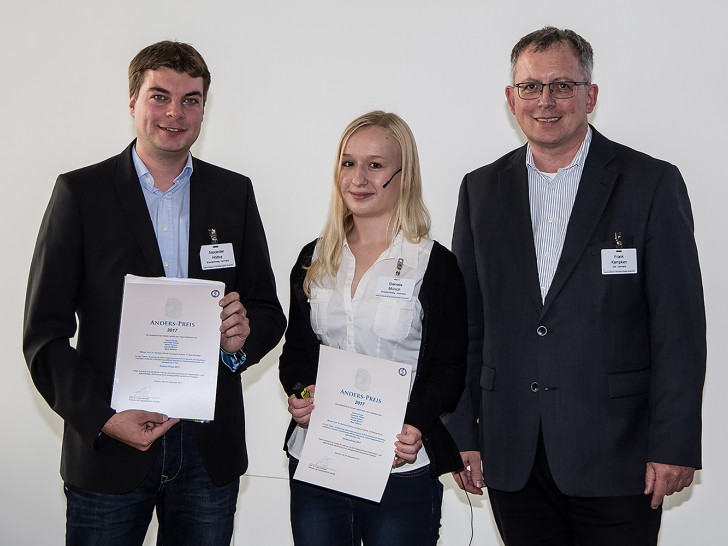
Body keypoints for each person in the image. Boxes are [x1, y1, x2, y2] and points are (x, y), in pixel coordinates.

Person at [444, 26, 706, 545]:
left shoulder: (650, 183)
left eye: (563, 86)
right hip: (512, 452)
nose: (546, 101)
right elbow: (466, 323)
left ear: (590, 95)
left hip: (619, 456)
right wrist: (462, 432)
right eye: (531, 87)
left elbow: (678, 327)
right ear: (510, 98)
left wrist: (674, 443)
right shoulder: (480, 190)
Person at [23, 40, 286, 545]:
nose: (175, 112)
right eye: (160, 96)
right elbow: (44, 337)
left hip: (208, 450)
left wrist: (240, 343)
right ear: (132, 102)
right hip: (111, 448)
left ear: (205, 108)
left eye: (191, 99)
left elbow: (266, 309)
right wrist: (105, 419)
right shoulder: (81, 194)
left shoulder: (234, 194)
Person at [279, 111, 467, 545]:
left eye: (375, 164)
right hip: (318, 463)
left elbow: (450, 366)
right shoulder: (314, 258)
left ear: (405, 175)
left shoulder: (435, 266)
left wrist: (417, 423)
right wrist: (300, 391)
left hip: (399, 467)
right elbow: (296, 352)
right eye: (348, 163)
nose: (358, 178)